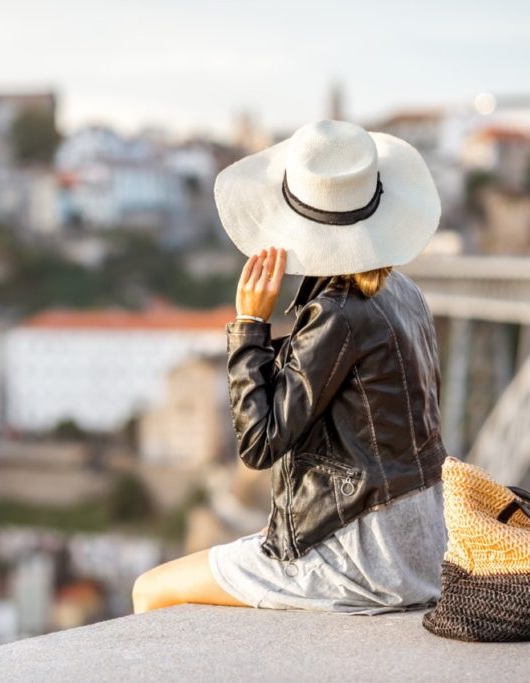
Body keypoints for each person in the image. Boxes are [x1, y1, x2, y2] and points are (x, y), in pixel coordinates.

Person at [132, 119, 448, 615]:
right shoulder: (403, 293)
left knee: (150, 590)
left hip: (367, 559)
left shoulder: (337, 313)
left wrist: (250, 325)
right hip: (423, 540)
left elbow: (258, 444)